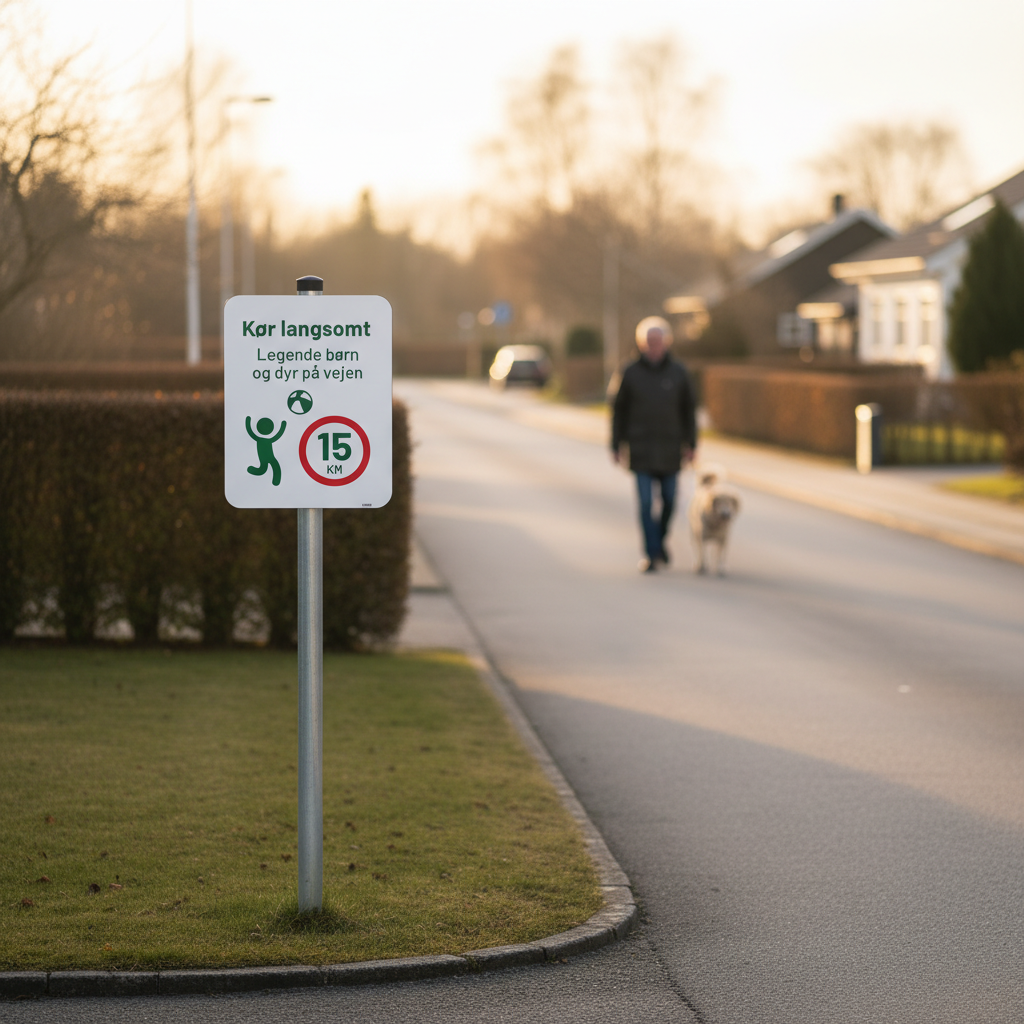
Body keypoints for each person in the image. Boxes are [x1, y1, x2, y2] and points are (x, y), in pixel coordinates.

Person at [610, 316, 698, 573]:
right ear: (641, 344)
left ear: (666, 343)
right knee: (646, 504)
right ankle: (651, 554)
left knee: (670, 500)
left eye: (658, 341)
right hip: (641, 450)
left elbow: (689, 412)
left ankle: (658, 541)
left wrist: (691, 444)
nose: (654, 346)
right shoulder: (629, 372)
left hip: (671, 450)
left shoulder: (679, 373)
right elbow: (618, 411)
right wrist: (616, 445)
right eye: (649, 342)